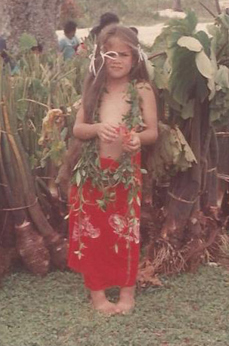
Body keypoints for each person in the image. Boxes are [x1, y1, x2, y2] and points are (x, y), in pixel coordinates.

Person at [65, 25, 158, 315]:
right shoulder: (95, 88)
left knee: (126, 232)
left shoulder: (141, 90)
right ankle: (99, 295)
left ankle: (127, 293)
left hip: (125, 171)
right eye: (110, 53)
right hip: (93, 171)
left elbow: (153, 131)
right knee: (94, 232)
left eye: (124, 54)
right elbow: (78, 128)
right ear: (99, 56)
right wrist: (96, 129)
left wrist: (136, 139)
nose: (116, 59)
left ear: (135, 58)